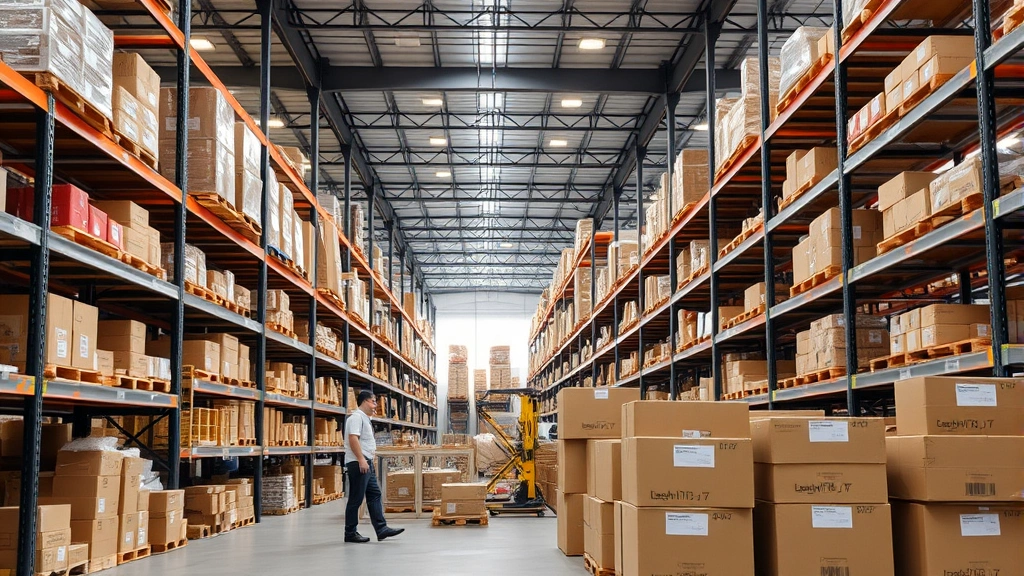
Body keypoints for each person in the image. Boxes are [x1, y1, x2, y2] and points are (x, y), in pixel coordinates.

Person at [345, 389, 404, 543]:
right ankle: (350, 532)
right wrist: (361, 459)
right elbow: (353, 439)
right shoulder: (356, 418)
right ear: (364, 401)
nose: (375, 405)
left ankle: (381, 528)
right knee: (356, 499)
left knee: (375, 494)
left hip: (366, 462)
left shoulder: (364, 418)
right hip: (359, 463)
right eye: (373, 402)